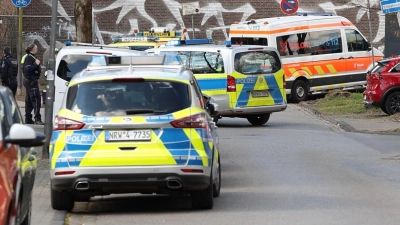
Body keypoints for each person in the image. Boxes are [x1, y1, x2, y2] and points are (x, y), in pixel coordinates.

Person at [21, 43, 44, 125]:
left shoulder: (31, 57)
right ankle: (37, 119)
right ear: (32, 50)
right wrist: (36, 64)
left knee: (29, 100)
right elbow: (28, 69)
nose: (37, 49)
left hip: (30, 81)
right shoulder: (29, 58)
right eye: (36, 48)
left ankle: (28, 118)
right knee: (36, 99)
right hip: (31, 81)